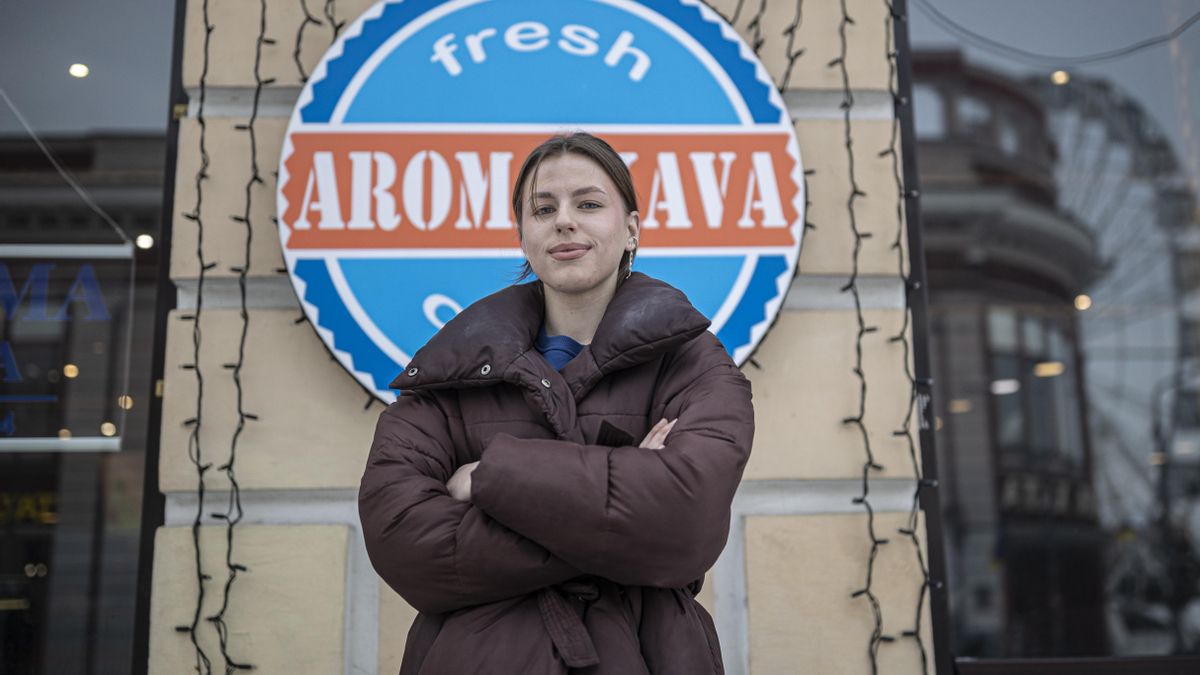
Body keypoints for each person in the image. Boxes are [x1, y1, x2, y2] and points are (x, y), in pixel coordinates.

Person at [359, 132, 755, 674]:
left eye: (589, 204)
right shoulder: (451, 371)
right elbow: (401, 539)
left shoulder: (689, 361)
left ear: (632, 228)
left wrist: (492, 476)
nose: (564, 221)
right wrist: (625, 511)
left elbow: (686, 524)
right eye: (543, 209)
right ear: (523, 234)